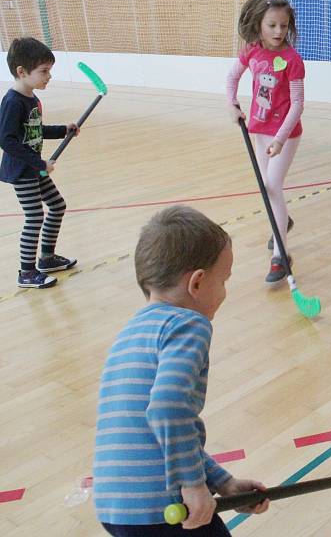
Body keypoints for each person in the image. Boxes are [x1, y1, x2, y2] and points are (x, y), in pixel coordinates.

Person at [93, 206, 270, 536]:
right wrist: (192, 485)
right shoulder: (189, 324)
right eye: (224, 280)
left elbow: (161, 433)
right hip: (163, 505)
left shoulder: (132, 331)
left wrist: (223, 482)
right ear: (198, 283)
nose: (225, 291)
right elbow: (168, 408)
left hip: (116, 506)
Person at [225, 0, 304, 284]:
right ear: (259, 23)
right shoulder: (252, 51)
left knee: (272, 185)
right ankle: (281, 223)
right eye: (272, 25)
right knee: (268, 190)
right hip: (258, 129)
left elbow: (297, 104)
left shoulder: (292, 59)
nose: (278, 31)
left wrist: (281, 139)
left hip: (285, 134)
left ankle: (280, 257)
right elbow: (232, 78)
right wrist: (232, 104)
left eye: (283, 26)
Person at [0, 37, 79, 288]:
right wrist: (39, 163)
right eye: (44, 71)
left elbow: (34, 130)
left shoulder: (31, 98)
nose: (49, 77)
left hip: (33, 168)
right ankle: (26, 272)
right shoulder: (12, 101)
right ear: (22, 72)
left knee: (57, 205)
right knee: (34, 217)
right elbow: (7, 141)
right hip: (22, 170)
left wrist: (62, 130)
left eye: (49, 71)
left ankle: (46, 259)